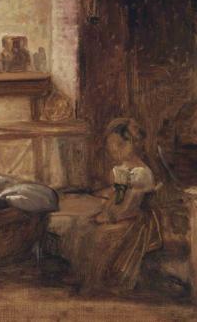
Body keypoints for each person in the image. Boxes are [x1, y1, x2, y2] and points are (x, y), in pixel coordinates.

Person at [61, 118, 162, 295]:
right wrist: (104, 208)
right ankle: (81, 273)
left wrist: (109, 216)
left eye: (120, 144)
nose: (114, 149)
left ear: (134, 144)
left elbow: (128, 205)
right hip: (119, 211)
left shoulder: (140, 174)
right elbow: (117, 197)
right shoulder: (121, 170)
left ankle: (98, 279)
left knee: (99, 234)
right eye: (112, 144)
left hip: (133, 220)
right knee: (81, 227)